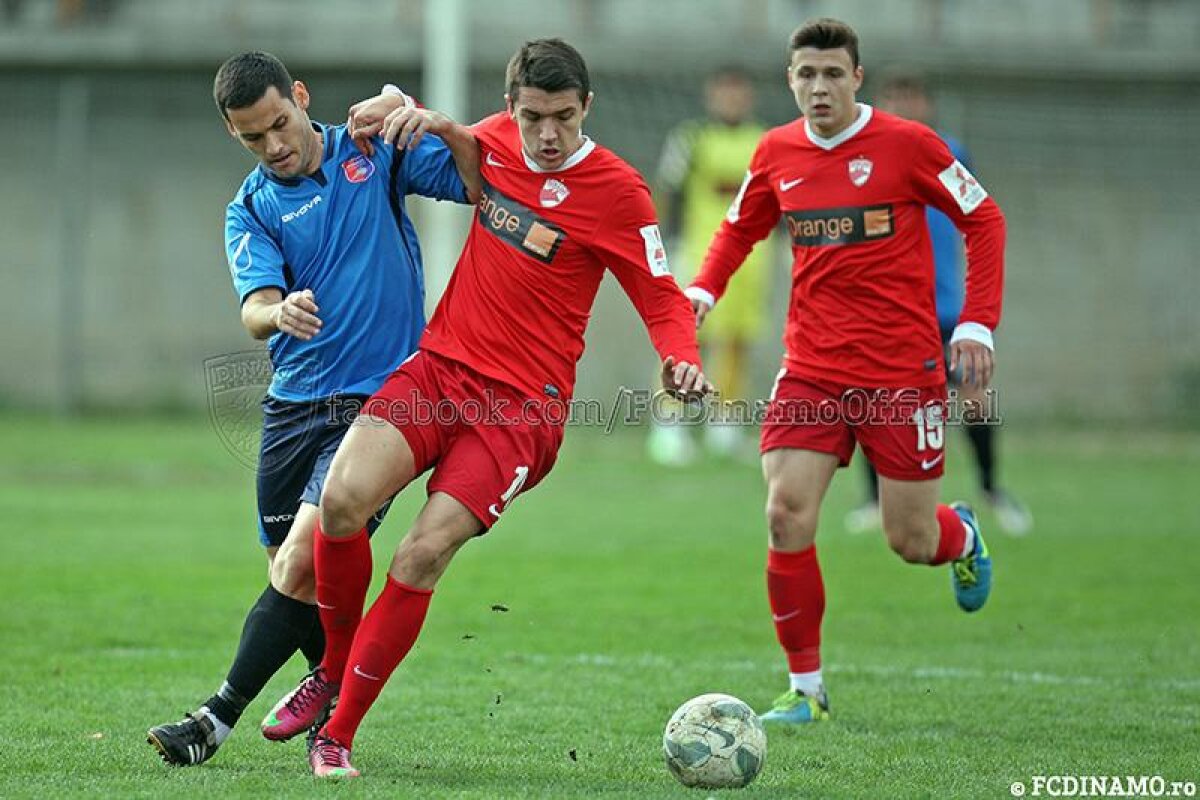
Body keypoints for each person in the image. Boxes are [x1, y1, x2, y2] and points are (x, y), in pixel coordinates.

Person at [258, 38, 710, 779]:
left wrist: (681, 356)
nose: (548, 134)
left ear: (586, 108)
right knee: (340, 503)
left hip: (520, 411)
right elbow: (450, 139)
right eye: (534, 116)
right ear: (512, 108)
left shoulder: (620, 191)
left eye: (564, 117)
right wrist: (409, 111)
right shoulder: (494, 141)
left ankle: (337, 732)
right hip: (438, 372)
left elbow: (662, 294)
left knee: (421, 552)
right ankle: (333, 670)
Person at [145, 51, 480, 766]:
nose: (274, 145)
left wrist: (411, 110)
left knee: (301, 562)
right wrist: (279, 311)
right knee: (295, 581)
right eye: (252, 137)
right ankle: (335, 691)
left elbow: (474, 181)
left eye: (279, 123)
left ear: (300, 96)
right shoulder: (252, 207)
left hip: (382, 406)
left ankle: (214, 720)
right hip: (292, 408)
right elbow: (255, 308)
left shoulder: (372, 152)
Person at [685, 19, 1006, 724]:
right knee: (784, 512)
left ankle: (961, 533)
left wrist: (978, 320)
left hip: (902, 372)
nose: (819, 87)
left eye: (833, 74)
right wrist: (704, 288)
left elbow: (985, 220)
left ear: (856, 78)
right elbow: (740, 225)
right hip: (813, 369)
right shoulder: (776, 152)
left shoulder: (908, 145)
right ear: (790, 80)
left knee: (909, 541)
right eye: (806, 74)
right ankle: (806, 691)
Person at [844, 68, 1032, 536]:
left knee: (974, 397)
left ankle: (991, 490)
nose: (903, 106)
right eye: (894, 97)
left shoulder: (947, 154)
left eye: (911, 97)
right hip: (886, 309)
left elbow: (981, 221)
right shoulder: (859, 158)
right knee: (876, 403)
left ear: (926, 105)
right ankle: (874, 499)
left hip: (946, 307)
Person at [646, 67, 772, 465]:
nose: (731, 100)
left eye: (738, 93)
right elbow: (669, 189)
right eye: (724, 92)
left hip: (751, 258)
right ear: (711, 96)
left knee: (737, 340)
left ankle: (726, 425)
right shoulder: (691, 139)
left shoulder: (763, 141)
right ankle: (669, 423)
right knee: (686, 338)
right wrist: (669, 242)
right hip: (698, 252)